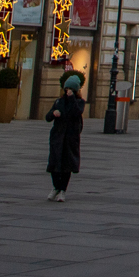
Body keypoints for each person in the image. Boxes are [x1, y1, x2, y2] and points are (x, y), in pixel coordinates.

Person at [45, 72, 84, 201]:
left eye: (71, 89)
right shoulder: (59, 101)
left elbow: (76, 112)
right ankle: (56, 187)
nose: (68, 91)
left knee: (67, 165)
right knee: (54, 164)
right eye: (67, 89)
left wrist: (72, 98)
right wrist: (53, 113)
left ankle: (62, 190)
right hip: (58, 137)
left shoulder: (79, 102)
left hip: (70, 138)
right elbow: (48, 117)